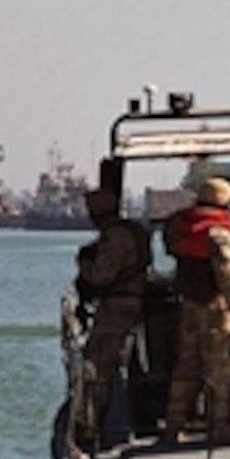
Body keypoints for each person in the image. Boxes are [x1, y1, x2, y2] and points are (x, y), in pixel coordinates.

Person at [163, 177, 230, 444]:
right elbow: (228, 277)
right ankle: (219, 425)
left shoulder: (181, 226)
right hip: (217, 307)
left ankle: (173, 425)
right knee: (220, 367)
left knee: (186, 366)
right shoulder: (219, 234)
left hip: (189, 304)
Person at [73, 188, 151, 444]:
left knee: (98, 364)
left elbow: (101, 276)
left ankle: (91, 426)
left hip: (119, 305)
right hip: (136, 302)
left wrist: (84, 264)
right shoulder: (133, 231)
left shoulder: (114, 238)